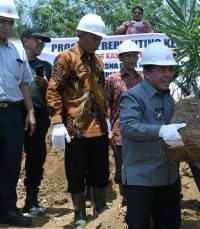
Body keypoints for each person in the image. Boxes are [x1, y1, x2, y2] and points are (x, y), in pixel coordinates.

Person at [46, 14, 110, 228]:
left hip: (98, 126)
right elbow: (53, 90)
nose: (97, 42)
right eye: (93, 38)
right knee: (76, 171)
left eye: (99, 39)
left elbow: (101, 92)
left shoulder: (97, 60)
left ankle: (101, 206)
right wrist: (56, 121)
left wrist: (107, 117)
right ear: (80, 34)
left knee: (100, 169)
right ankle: (79, 212)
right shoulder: (66, 57)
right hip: (75, 128)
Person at [120, 42, 185, 229]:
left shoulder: (168, 97)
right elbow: (128, 127)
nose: (168, 75)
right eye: (162, 70)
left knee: (169, 223)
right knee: (139, 224)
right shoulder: (133, 96)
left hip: (168, 177)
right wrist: (161, 130)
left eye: (170, 70)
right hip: (142, 179)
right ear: (147, 73)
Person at [0, 0, 35, 226]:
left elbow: (24, 85)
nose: (6, 26)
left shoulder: (18, 51)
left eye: (10, 22)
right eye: (2, 21)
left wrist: (30, 112)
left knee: (11, 163)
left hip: (12, 113)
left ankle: (7, 209)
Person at [104, 39, 144, 206]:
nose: (132, 59)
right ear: (121, 58)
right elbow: (106, 104)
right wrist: (108, 129)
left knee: (140, 163)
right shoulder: (113, 79)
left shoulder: (142, 78)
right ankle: (126, 197)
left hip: (141, 130)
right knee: (122, 165)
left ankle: (138, 196)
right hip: (119, 130)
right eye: (128, 56)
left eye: (134, 55)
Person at [20, 27, 52, 216]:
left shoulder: (46, 66)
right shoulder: (15, 61)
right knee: (9, 158)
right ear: (25, 40)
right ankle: (6, 203)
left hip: (39, 115)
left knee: (36, 158)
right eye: (38, 40)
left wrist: (48, 86)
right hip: (15, 112)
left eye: (43, 42)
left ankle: (31, 200)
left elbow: (55, 94)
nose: (41, 44)